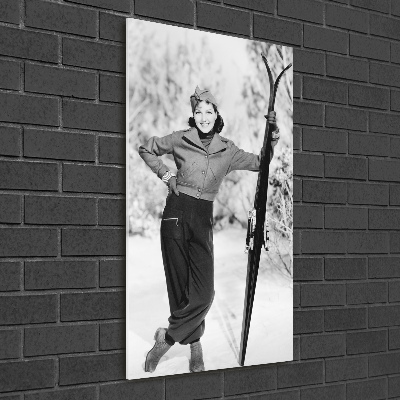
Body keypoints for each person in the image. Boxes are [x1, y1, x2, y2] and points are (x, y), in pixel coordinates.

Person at [138, 86, 280, 373]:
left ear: (217, 115)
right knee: (180, 287)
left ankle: (165, 339)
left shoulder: (227, 150)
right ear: (194, 115)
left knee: (203, 292)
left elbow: (260, 162)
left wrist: (272, 135)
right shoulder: (180, 139)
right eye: (198, 111)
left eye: (209, 111)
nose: (204, 116)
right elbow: (146, 148)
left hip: (202, 219)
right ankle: (194, 345)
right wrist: (166, 175)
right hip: (175, 215)